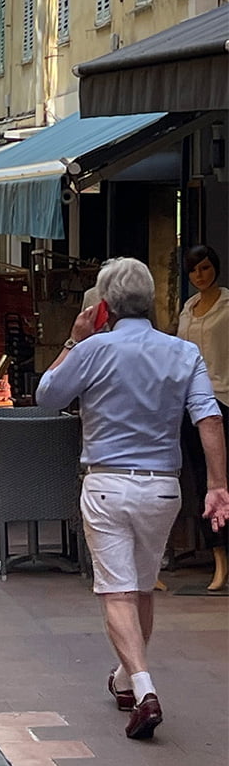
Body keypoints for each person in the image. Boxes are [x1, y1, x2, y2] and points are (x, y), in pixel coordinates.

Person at [36, 257, 229, 740]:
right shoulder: (183, 353)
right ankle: (124, 677)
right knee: (141, 588)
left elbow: (46, 396)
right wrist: (217, 484)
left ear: (104, 306)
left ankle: (143, 689)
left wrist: (73, 340)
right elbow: (209, 417)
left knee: (117, 591)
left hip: (107, 483)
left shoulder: (93, 349)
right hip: (163, 486)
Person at [176, 245, 229, 590]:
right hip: (190, 403)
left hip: (223, 398)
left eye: (205, 268)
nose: (200, 275)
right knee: (201, 479)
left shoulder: (228, 305)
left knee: (224, 480)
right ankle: (218, 557)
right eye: (194, 270)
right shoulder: (187, 309)